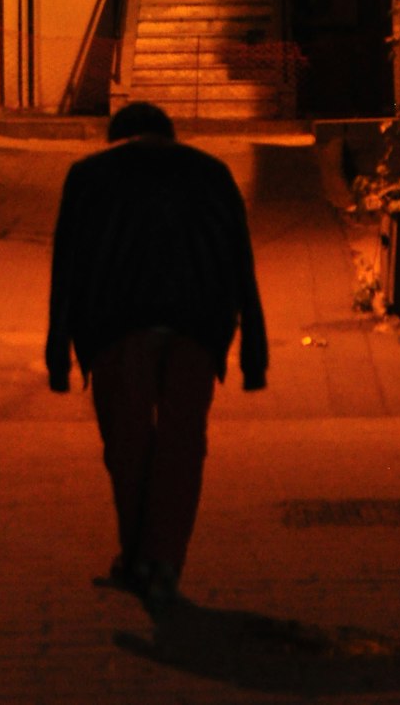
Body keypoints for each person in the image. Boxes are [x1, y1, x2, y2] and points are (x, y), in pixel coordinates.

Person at [46, 100, 268, 605]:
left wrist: (58, 351)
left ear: (116, 137)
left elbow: (67, 268)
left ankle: (137, 557)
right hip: (197, 327)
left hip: (117, 328)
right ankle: (163, 563)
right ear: (168, 135)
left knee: (129, 450)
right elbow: (240, 260)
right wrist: (253, 349)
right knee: (182, 447)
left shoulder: (88, 177)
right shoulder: (212, 173)